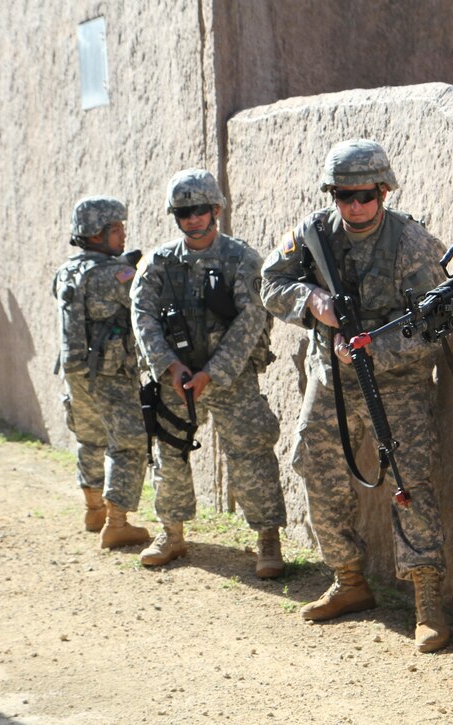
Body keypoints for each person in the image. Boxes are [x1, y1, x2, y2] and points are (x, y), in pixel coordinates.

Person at [260, 139, 451, 653]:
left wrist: (374, 348)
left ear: (384, 190)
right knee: (312, 462)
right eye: (344, 196)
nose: (355, 206)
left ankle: (427, 600)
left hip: (397, 380)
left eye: (365, 195)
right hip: (332, 378)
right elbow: (271, 284)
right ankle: (349, 580)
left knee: (410, 477)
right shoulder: (313, 235)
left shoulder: (412, 243)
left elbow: (436, 321)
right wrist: (311, 300)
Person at [130, 168, 286, 577]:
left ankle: (267, 539)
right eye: (184, 212)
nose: (193, 219)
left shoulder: (241, 259)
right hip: (175, 379)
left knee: (251, 452)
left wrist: (212, 373)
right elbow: (142, 314)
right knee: (169, 451)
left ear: (215, 210)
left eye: (200, 210)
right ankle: (172, 533)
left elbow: (252, 320)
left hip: (230, 378)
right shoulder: (158, 264)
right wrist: (170, 365)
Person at [53, 195, 153, 549]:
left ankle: (93, 510)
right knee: (128, 444)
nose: (122, 234)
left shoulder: (67, 270)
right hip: (111, 374)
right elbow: (144, 295)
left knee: (90, 438)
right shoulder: (114, 275)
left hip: (76, 373)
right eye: (116, 229)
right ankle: (117, 522)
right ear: (95, 233)